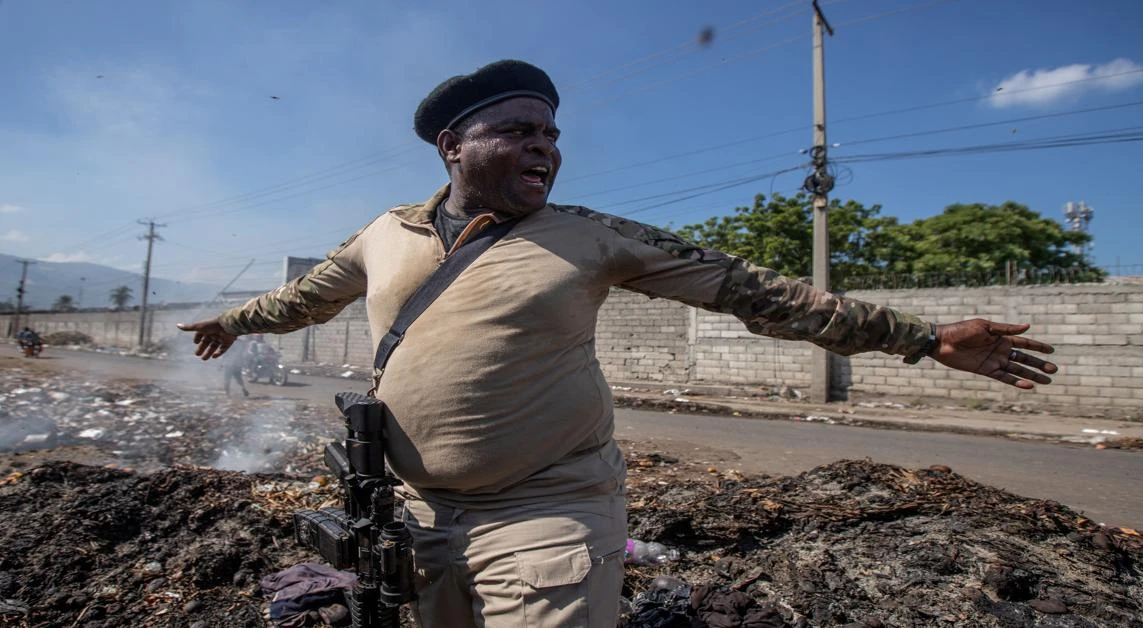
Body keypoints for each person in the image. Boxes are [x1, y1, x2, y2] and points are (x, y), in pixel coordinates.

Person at [179, 60, 1058, 627]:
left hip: (547, 506)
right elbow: (306, 298)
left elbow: (762, 295)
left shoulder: (592, 237)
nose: (545, 146)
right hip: (417, 513)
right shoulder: (384, 234)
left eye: (552, 134)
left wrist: (923, 336)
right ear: (453, 146)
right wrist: (232, 321)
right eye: (519, 130)